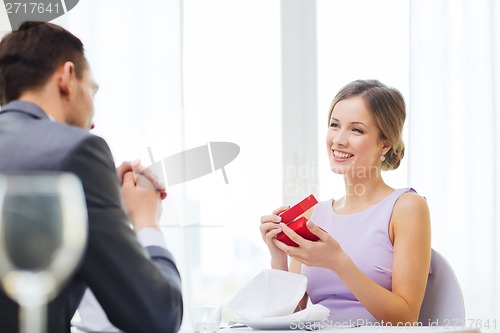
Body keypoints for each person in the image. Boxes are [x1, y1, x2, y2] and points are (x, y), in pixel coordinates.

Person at [0, 21, 183, 333]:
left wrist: (97, 194)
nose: (93, 121)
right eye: (92, 91)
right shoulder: (78, 151)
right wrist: (146, 220)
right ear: (67, 77)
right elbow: (157, 316)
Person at [260, 80, 431, 326]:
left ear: (385, 143)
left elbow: (406, 319)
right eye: (334, 125)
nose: (338, 140)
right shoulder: (313, 215)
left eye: (356, 130)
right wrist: (279, 258)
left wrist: (338, 262)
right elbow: (291, 318)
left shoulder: (406, 208)